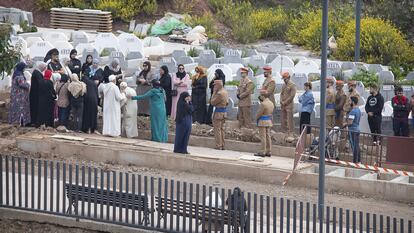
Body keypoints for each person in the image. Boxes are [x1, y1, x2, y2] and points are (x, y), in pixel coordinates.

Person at [8, 62, 31, 126]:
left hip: (15, 95)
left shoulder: (16, 74)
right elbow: (22, 84)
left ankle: (15, 121)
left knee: (16, 108)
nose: (24, 69)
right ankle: (20, 122)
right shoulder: (19, 75)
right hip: (20, 96)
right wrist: (28, 84)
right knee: (21, 109)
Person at [210, 80, 228, 150]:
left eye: (215, 85)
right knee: (222, 129)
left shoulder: (219, 93)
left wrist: (214, 92)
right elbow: (227, 102)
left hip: (218, 113)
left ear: (218, 85)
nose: (214, 87)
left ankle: (218, 145)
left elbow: (212, 102)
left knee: (217, 129)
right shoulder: (225, 92)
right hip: (224, 112)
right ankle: (222, 144)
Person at [255, 93, 274, 157]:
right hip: (268, 121)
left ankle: (262, 151)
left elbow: (259, 114)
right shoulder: (271, 103)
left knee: (263, 137)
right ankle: (269, 151)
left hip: (262, 121)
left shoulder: (263, 104)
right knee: (268, 137)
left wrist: (256, 118)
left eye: (261, 96)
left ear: (263, 96)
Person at [343, 96, 361, 163]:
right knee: (357, 146)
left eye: (350, 101)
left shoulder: (353, 111)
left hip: (353, 130)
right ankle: (358, 160)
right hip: (357, 129)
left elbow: (350, 122)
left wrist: (345, 124)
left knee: (354, 146)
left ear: (353, 102)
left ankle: (355, 161)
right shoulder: (358, 110)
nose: (349, 102)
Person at [29, 62, 47, 126]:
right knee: (35, 107)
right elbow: (40, 83)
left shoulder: (37, 72)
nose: (45, 69)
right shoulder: (37, 73)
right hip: (35, 94)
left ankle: (34, 121)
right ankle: (34, 121)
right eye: (44, 67)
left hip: (35, 93)